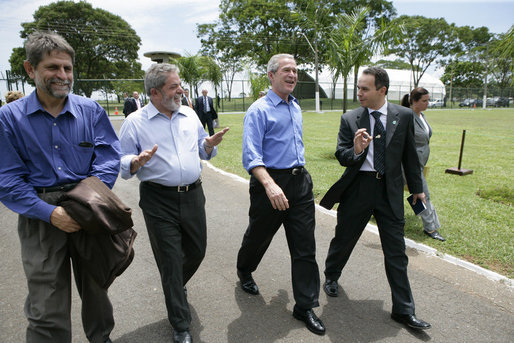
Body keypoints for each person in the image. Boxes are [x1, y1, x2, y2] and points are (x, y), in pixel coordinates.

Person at [0, 31, 120, 343]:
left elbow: (108, 158)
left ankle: (101, 338)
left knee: (97, 290)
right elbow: (8, 179)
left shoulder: (90, 111)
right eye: (52, 67)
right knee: (46, 303)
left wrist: (89, 200)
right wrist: (51, 213)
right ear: (30, 69)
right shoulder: (8, 119)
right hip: (41, 215)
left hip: (88, 207)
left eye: (67, 68)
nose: (62, 75)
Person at [119, 63, 229, 343]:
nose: (181, 90)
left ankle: (175, 286)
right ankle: (181, 325)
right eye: (174, 86)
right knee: (170, 261)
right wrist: (135, 162)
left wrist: (208, 145)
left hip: (193, 195)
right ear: (155, 92)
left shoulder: (190, 115)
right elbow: (119, 164)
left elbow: (204, 153)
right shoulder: (135, 122)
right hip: (158, 200)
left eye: (180, 85)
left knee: (197, 250)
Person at [320, 67, 431, 330]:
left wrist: (417, 188)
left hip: (389, 192)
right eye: (358, 88)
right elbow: (341, 154)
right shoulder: (350, 118)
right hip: (359, 188)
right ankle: (331, 275)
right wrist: (357, 150)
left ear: (382, 90)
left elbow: (410, 157)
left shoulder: (403, 116)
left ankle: (404, 310)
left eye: (365, 88)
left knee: (396, 251)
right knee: (344, 237)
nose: (359, 93)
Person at [236, 53, 325, 336]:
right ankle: (244, 268)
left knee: (304, 246)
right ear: (271, 76)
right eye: (286, 70)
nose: (293, 75)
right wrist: (270, 184)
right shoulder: (258, 110)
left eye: (296, 70)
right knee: (259, 235)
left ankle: (305, 305)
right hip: (270, 184)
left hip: (300, 184)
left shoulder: (295, 106)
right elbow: (251, 155)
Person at [401, 88, 445, 241]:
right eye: (424, 101)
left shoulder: (422, 116)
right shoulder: (408, 117)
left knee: (388, 191)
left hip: (419, 163)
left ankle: (374, 209)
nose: (428, 103)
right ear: (413, 101)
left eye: (428, 100)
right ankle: (430, 228)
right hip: (409, 164)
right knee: (421, 193)